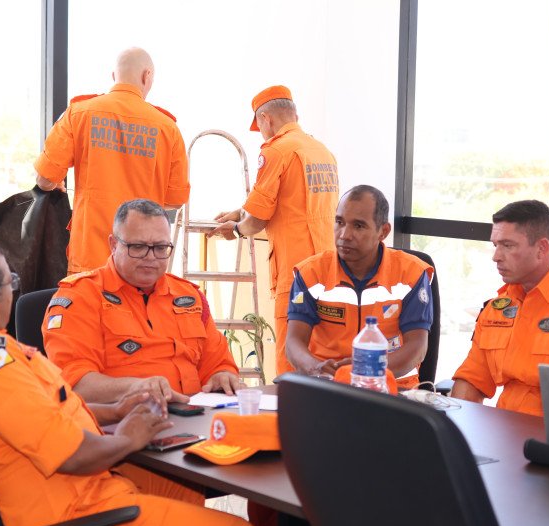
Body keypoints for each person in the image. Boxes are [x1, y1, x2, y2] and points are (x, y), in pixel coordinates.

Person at [0, 236, 255, 526]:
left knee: (181, 493)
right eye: (10, 282)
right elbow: (73, 455)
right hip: (66, 523)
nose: (12, 292)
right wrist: (127, 437)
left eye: (161, 248)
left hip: (50, 501)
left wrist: (114, 410)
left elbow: (41, 414)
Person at [42, 199, 240, 404]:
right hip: (120, 425)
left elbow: (218, 363)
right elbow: (74, 383)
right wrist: (136, 388)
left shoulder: (189, 296)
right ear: (113, 244)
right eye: (138, 247)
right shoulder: (80, 297)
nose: (150, 257)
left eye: (161, 247)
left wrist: (223, 375)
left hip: (194, 416)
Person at [210, 85, 339, 375]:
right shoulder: (322, 151)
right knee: (323, 354)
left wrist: (237, 229)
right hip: (329, 270)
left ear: (266, 119)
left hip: (296, 273)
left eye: (261, 127)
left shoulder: (276, 151)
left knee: (290, 361)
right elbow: (291, 200)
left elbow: (257, 221)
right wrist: (241, 210)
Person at [34, 47, 190, 275]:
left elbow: (45, 180)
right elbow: (175, 200)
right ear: (147, 76)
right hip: (141, 261)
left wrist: (54, 183)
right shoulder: (168, 128)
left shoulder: (79, 114)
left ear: (114, 76)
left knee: (85, 309)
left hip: (90, 258)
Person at [450, 199, 549, 416]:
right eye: (495, 245)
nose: (496, 257)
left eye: (508, 245)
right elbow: (472, 379)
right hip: (503, 431)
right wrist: (457, 427)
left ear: (541, 249)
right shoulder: (498, 307)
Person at [286, 185, 434, 388]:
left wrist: (368, 370)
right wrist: (316, 368)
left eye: (358, 226)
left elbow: (417, 347)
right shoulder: (311, 273)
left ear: (383, 231)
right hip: (328, 385)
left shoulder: (411, 273)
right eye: (339, 222)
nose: (344, 235)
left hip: (393, 388)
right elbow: (293, 342)